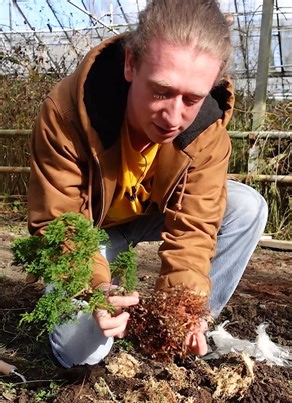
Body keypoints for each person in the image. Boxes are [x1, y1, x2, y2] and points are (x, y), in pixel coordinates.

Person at [28, 0, 268, 368]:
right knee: (82, 354)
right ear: (130, 64)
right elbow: (60, 222)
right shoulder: (67, 113)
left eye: (192, 98)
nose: (174, 117)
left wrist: (183, 302)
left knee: (247, 206)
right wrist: (96, 289)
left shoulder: (207, 129)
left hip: (150, 215)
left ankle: (189, 326)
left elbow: (196, 227)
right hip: (90, 231)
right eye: (160, 91)